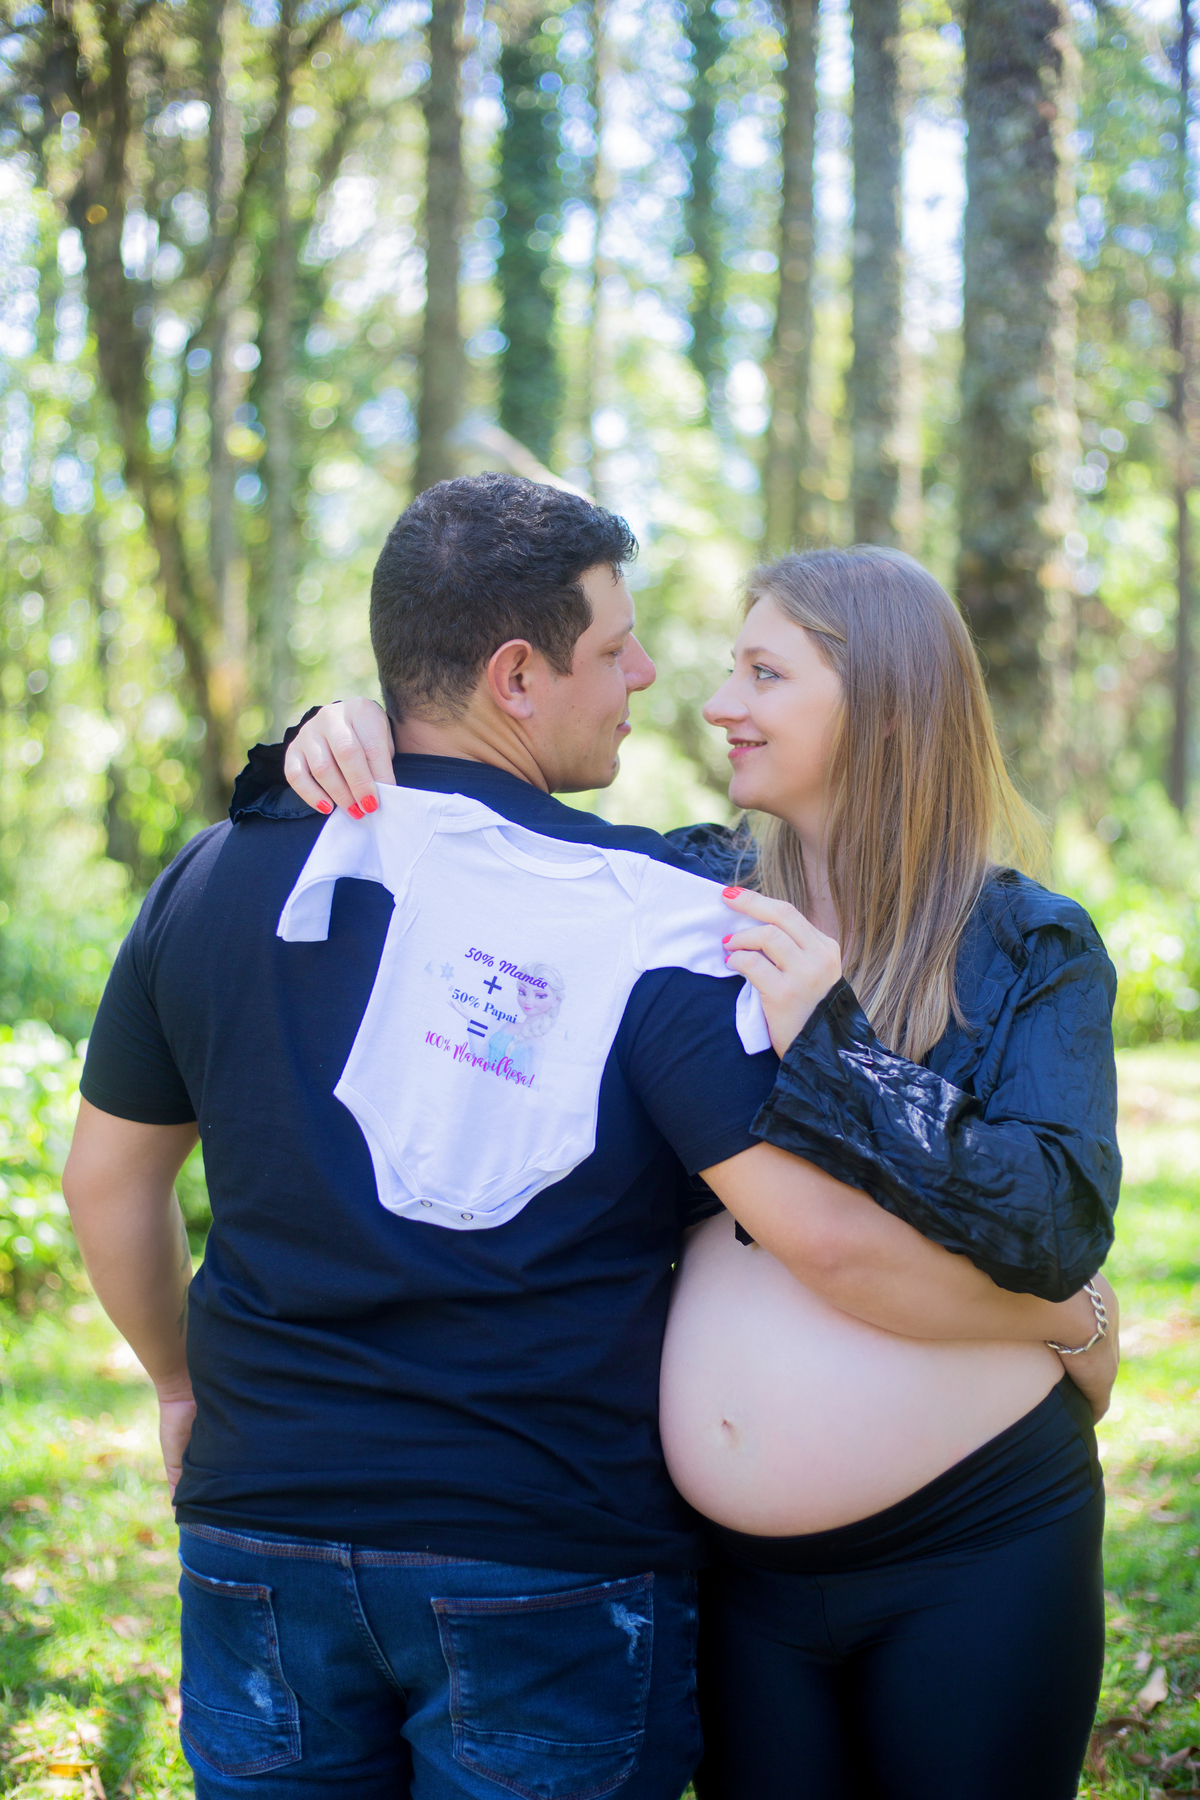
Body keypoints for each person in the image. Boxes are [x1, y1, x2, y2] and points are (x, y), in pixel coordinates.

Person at [282, 533, 1121, 1800]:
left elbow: (1055, 1218)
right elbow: (478, 848)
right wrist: (349, 731)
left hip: (981, 1543)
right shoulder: (681, 888)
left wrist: (833, 1047)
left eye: (764, 673)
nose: (718, 702)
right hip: (729, 1575)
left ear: (884, 702)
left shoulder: (1029, 944)